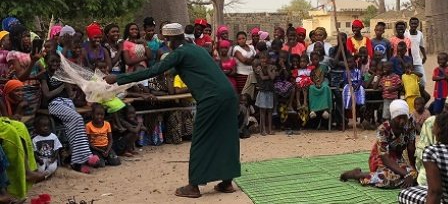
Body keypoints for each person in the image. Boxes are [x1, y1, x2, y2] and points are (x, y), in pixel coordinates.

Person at [105, 23, 240, 198]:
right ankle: (227, 181)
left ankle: (193, 186)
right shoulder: (196, 49)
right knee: (226, 137)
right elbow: (187, 69)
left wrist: (118, 78)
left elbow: (153, 71)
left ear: (169, 39)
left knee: (200, 140)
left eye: (165, 39)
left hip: (211, 99)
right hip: (229, 94)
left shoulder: (179, 53)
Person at [40, 52, 99, 173]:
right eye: (52, 61)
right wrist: (61, 87)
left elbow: (71, 95)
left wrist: (74, 88)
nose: (55, 64)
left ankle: (77, 162)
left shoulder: (62, 74)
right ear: (46, 62)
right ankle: (86, 156)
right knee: (78, 119)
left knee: (74, 128)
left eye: (57, 61)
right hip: (54, 104)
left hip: (67, 102)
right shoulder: (44, 76)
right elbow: (47, 95)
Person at [339, 99, 416, 189]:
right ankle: (358, 174)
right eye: (399, 118)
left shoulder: (410, 124)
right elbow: (385, 159)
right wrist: (407, 174)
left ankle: (397, 178)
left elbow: (411, 148)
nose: (402, 121)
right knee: (387, 179)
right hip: (380, 159)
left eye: (404, 117)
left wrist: (413, 169)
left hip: (398, 159)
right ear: (393, 116)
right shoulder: (383, 130)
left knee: (416, 175)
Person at [254, 53, 277, 136]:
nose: (264, 60)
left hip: (270, 90)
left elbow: (273, 78)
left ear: (268, 59)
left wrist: (267, 70)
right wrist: (269, 74)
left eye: (265, 58)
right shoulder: (258, 68)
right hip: (263, 91)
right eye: (262, 58)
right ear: (260, 60)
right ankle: (263, 129)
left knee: (270, 111)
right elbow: (263, 78)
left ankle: (270, 129)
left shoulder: (272, 67)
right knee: (262, 111)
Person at [308, 52, 333, 121]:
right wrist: (314, 81)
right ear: (311, 60)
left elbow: (322, 76)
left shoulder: (323, 67)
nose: (314, 61)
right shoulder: (311, 68)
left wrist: (320, 83)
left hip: (323, 81)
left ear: (319, 59)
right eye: (313, 60)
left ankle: (325, 110)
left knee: (325, 87)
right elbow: (311, 78)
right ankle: (313, 110)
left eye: (316, 59)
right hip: (314, 82)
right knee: (311, 88)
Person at [408, 17, 427, 82]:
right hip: (407, 61)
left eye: (415, 24)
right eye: (412, 23)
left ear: (418, 24)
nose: (413, 25)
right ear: (409, 24)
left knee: (422, 81)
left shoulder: (420, 34)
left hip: (417, 61)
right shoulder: (405, 33)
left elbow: (421, 46)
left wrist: (424, 56)